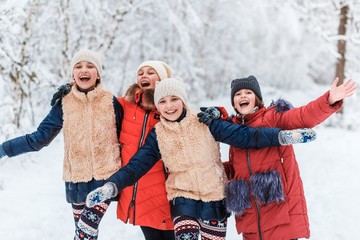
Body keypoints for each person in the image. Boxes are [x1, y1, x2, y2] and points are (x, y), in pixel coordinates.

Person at [84, 77, 316, 240]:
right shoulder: (158, 134)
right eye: (162, 102)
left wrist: (284, 136)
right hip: (182, 197)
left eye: (173, 100)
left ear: (183, 101)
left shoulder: (205, 122)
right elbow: (137, 165)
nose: (168, 106)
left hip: (215, 196)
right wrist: (111, 186)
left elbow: (246, 136)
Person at [203, 75, 356, 240]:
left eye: (248, 92)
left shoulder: (274, 117)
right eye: (238, 94)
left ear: (258, 99)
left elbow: (304, 115)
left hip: (281, 220)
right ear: (234, 102)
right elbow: (237, 169)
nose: (243, 96)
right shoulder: (234, 133)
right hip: (251, 226)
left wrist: (330, 99)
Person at [0, 49, 123, 240]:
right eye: (79, 66)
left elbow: (129, 134)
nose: (84, 70)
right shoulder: (64, 103)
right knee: (85, 234)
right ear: (73, 74)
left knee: (85, 231)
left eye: (90, 66)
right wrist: (5, 148)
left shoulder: (111, 102)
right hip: (76, 179)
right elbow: (39, 137)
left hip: (105, 180)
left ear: (98, 73)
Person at [115, 60, 175, 240]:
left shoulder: (170, 106)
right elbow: (99, 101)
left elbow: (192, 120)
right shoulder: (126, 104)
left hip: (163, 186)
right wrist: (73, 89)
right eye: (141, 73)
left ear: (161, 79)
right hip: (135, 185)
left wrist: (219, 112)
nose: (144, 76)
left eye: (150, 72)